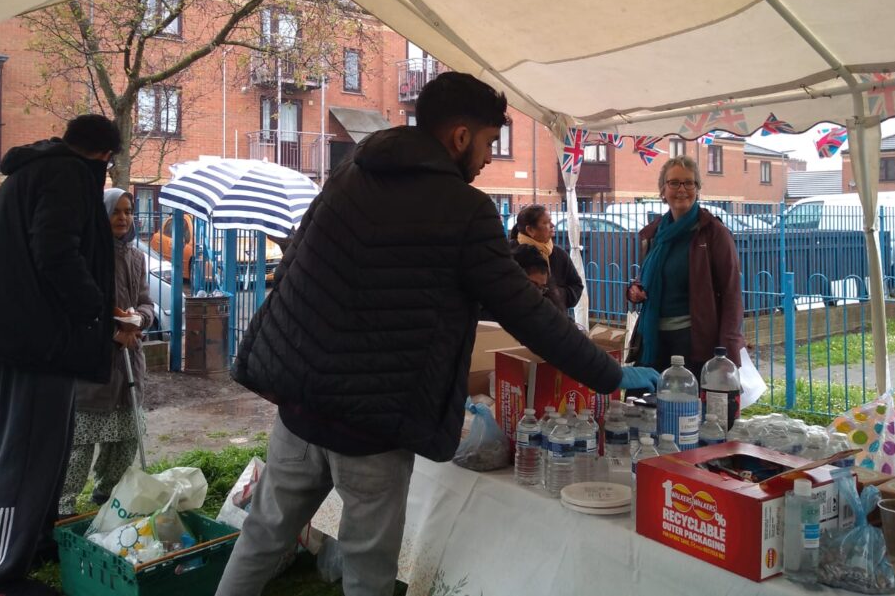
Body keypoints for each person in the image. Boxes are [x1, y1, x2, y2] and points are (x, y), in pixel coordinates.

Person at [218, 72, 659, 596]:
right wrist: (609, 373)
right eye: (489, 142)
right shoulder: (464, 210)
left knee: (261, 538)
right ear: (458, 136)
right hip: (373, 429)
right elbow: (528, 314)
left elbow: (293, 264)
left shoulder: (350, 174)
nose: (489, 157)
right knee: (368, 573)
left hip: (299, 412)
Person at [0, 114, 121, 596]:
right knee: (25, 454)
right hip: (32, 342)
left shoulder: (34, 171)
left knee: (47, 447)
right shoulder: (64, 175)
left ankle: (37, 538)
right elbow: (55, 252)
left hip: (28, 337)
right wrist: (93, 308)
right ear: (104, 155)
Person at [58, 189, 153, 518]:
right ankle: (64, 504)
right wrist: (114, 333)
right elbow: (76, 309)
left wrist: (138, 319)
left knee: (128, 438)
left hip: (129, 364)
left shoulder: (137, 257)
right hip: (95, 364)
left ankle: (107, 490)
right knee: (81, 442)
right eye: (117, 211)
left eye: (128, 212)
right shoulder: (86, 257)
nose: (124, 218)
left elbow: (145, 303)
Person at [626, 155, 744, 381]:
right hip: (652, 338)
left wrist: (727, 349)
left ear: (697, 189)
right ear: (662, 190)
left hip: (693, 343)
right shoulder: (655, 233)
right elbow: (649, 278)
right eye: (674, 183)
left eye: (689, 182)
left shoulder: (713, 233)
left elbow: (731, 293)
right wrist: (635, 289)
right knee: (645, 407)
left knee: (685, 411)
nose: (682, 189)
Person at [509, 204, 583, 312]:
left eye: (550, 220)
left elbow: (577, 286)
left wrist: (556, 295)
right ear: (530, 230)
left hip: (554, 318)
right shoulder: (510, 253)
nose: (552, 225)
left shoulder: (559, 254)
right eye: (546, 223)